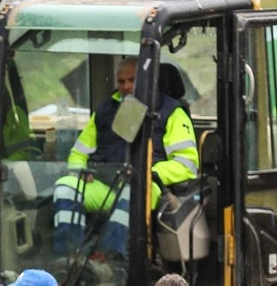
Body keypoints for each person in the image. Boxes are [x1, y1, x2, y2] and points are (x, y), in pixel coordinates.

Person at [53, 58, 199, 265]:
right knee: (65, 188)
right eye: (121, 81)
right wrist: (80, 172)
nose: (126, 86)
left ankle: (109, 261)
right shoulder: (104, 111)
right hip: (104, 183)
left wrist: (150, 173)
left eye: (132, 80)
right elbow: (78, 153)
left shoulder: (172, 112)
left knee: (133, 193)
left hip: (147, 185)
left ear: (148, 79)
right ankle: (69, 258)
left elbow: (187, 164)